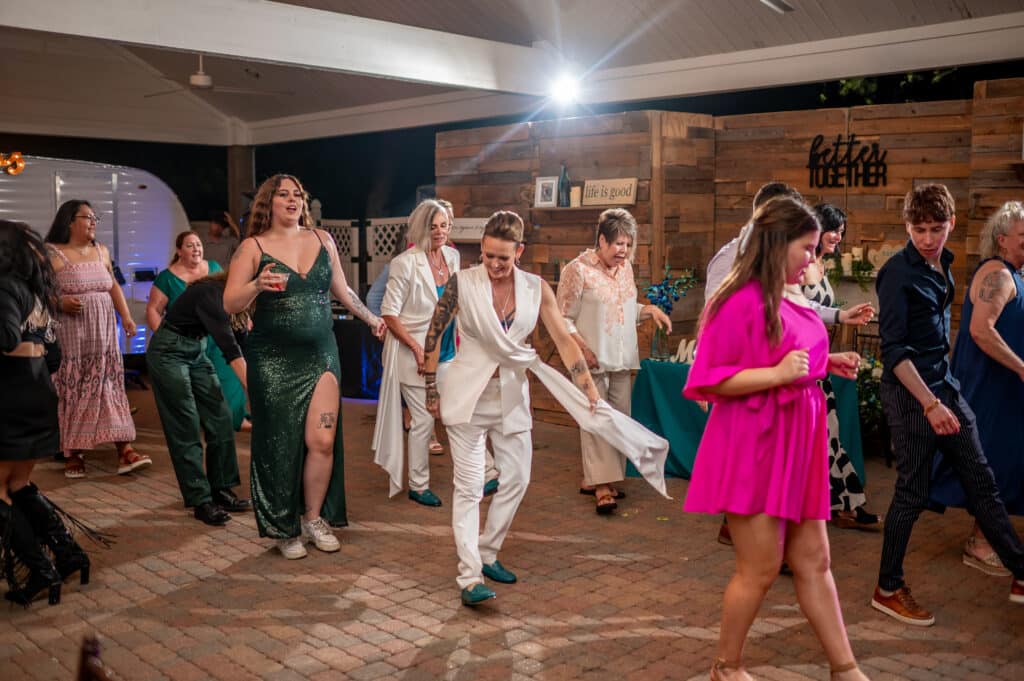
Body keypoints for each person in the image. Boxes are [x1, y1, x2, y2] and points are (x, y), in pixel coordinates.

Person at [422, 210, 669, 607]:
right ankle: (469, 577)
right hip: (466, 397)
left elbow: (565, 340)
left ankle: (487, 552)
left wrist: (588, 390)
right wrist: (430, 387)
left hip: (511, 396)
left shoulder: (537, 289)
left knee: (518, 478)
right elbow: (434, 333)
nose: (495, 265)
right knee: (468, 489)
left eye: (503, 257)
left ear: (519, 251)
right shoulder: (461, 284)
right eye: (488, 256)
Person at [684, 197, 868, 681]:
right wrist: (776, 374)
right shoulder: (737, 299)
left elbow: (788, 353)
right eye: (806, 248)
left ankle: (845, 668)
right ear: (777, 244)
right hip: (756, 443)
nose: (812, 258)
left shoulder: (791, 294)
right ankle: (726, 667)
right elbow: (709, 380)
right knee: (761, 568)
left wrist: (827, 364)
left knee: (816, 561)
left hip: (798, 442)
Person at [872, 184, 1024, 626]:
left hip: (946, 387)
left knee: (982, 481)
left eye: (936, 229)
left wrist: (948, 393)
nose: (927, 238)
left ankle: (1019, 571)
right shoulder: (898, 274)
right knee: (912, 493)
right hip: (912, 395)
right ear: (907, 226)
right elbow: (895, 352)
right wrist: (931, 405)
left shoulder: (945, 265)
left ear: (951, 224)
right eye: (918, 229)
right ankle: (888, 586)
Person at [224, 174, 385, 560]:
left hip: (321, 355)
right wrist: (258, 284)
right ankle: (284, 526)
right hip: (273, 359)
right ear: (269, 202)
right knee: (280, 444)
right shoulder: (253, 246)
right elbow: (230, 303)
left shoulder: (323, 240)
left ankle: (313, 518)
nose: (294, 200)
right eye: (284, 195)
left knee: (323, 440)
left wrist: (371, 318)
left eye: (298, 195)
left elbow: (343, 291)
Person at [930, 201, 1024, 576]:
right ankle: (981, 542)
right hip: (991, 386)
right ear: (1002, 240)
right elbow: (980, 331)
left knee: (1004, 459)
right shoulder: (996, 275)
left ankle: (989, 535)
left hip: (1007, 388)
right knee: (994, 460)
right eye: (1023, 235)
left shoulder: (1016, 274)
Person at [556, 208, 671, 514]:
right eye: (618, 244)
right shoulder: (577, 270)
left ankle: (596, 478)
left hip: (621, 358)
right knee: (595, 419)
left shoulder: (626, 270)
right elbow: (562, 319)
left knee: (618, 419)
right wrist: (583, 349)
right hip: (589, 360)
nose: (624, 251)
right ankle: (602, 486)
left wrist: (649, 310)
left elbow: (624, 309)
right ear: (602, 240)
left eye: (628, 244)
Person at [1, 219, 89, 607]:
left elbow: (4, 338)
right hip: (38, 389)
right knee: (16, 485)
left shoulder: (4, 286)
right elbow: (52, 354)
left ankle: (39, 569)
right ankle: (68, 555)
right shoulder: (36, 291)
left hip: (12, 393)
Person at [45, 200, 150, 479]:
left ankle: (125, 450)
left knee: (109, 385)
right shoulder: (52, 253)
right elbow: (38, 292)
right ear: (69, 221)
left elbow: (113, 285)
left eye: (95, 218)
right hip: (73, 336)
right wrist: (60, 302)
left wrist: (126, 317)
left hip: (104, 336)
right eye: (87, 217)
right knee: (76, 387)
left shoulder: (100, 250)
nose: (93, 222)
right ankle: (74, 452)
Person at [147, 272, 252, 526]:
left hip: (196, 350)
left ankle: (221, 489)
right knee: (186, 424)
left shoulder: (236, 300)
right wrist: (256, 394)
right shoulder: (211, 294)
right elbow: (230, 348)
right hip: (169, 352)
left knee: (221, 417)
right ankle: (200, 500)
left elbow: (241, 341)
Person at [801, 204, 881, 531]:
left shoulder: (820, 264)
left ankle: (843, 504)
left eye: (842, 231)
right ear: (818, 228)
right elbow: (802, 307)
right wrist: (840, 315)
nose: (839, 236)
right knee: (826, 436)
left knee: (829, 435)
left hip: (820, 360)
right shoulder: (804, 265)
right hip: (804, 363)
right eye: (835, 229)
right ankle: (844, 504)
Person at [372, 200, 457, 505]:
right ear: (422, 227)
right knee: (423, 420)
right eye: (433, 226)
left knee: (454, 411)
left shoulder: (453, 257)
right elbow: (389, 313)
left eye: (444, 224)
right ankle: (418, 485)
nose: (439, 231)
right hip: (414, 354)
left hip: (448, 350)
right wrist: (416, 348)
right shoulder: (405, 263)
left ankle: (482, 472)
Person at [146, 231, 250, 432]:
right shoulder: (167, 278)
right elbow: (153, 309)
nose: (196, 249)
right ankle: (204, 420)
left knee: (229, 376)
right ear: (179, 251)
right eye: (190, 245)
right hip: (187, 338)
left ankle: (234, 418)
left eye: (199, 244)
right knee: (193, 387)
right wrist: (165, 335)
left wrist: (245, 318)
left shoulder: (213, 268)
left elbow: (231, 297)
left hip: (216, 334)